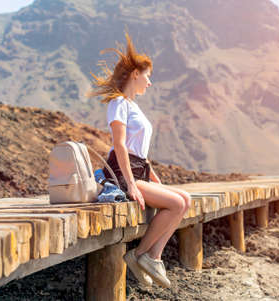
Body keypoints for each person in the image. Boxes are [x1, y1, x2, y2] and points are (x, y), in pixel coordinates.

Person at [89, 33, 191, 288]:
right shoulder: (118, 103)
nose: (150, 82)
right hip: (123, 174)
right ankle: (141, 255)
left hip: (139, 170)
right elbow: (120, 145)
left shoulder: (133, 106)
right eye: (148, 75)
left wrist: (155, 179)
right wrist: (132, 184)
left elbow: (140, 153)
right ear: (135, 73)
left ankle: (150, 257)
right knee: (176, 205)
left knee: (185, 199)